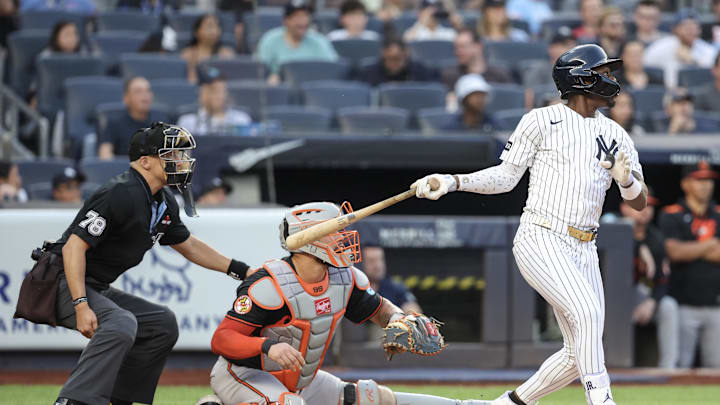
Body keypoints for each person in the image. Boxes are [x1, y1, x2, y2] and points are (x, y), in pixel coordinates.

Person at [413, 44, 648, 405]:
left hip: (585, 247)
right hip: (542, 236)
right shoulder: (541, 120)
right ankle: (602, 400)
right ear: (581, 78)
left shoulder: (618, 135)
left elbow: (640, 200)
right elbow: (506, 178)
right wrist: (454, 181)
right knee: (585, 313)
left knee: (578, 353)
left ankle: (509, 404)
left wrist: (626, 180)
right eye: (603, 72)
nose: (611, 79)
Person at [44, 122, 252, 405]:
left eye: (181, 154)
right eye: (172, 155)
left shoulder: (163, 201)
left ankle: (119, 400)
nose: (182, 161)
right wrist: (81, 304)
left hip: (93, 285)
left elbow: (188, 245)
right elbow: (72, 248)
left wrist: (242, 270)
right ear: (145, 162)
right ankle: (72, 401)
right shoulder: (120, 192)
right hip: (58, 281)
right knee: (120, 323)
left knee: (161, 323)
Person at [207, 201, 484, 405]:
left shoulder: (345, 278)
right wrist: (268, 346)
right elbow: (222, 339)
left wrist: (400, 319)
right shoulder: (269, 285)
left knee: (373, 398)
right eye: (335, 231)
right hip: (244, 374)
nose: (343, 237)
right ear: (309, 239)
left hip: (300, 380)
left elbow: (381, 310)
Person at [658, 161, 720, 368]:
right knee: (681, 366)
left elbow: (684, 250)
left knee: (716, 370)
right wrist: (711, 244)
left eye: (708, 180)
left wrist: (692, 249)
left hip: (716, 304)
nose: (705, 185)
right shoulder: (672, 213)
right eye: (699, 180)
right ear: (685, 184)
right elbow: (674, 252)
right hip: (683, 303)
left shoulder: (718, 213)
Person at [619, 188, 678, 368]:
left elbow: (662, 279)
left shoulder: (656, 238)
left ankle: (668, 368)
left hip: (643, 297)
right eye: (637, 204)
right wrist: (638, 246)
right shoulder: (610, 226)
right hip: (614, 300)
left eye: (649, 205)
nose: (644, 209)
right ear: (624, 208)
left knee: (668, 306)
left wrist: (652, 301)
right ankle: (613, 367)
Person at [256, 0, 338, 85]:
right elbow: (259, 69)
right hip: (282, 89)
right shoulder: (270, 39)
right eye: (297, 16)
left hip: (312, 90)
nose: (302, 21)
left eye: (306, 16)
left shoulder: (319, 40)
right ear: (286, 20)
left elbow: (332, 68)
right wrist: (272, 76)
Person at [97, 76, 170, 160]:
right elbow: (105, 154)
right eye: (138, 91)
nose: (145, 95)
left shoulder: (162, 122)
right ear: (126, 98)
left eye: (148, 90)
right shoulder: (114, 123)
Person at [644, 9, 717, 89]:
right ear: (675, 29)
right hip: (670, 93)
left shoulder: (706, 49)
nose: (691, 30)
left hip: (699, 94)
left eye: (694, 26)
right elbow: (644, 63)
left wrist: (692, 61)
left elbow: (714, 71)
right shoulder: (663, 46)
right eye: (686, 26)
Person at [177, 67, 251, 136]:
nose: (216, 95)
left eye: (219, 90)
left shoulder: (241, 120)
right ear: (200, 94)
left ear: (226, 93)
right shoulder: (188, 122)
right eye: (211, 90)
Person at [442, 29, 512, 90]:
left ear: (478, 46)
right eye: (456, 47)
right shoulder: (451, 76)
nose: (457, 52)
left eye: (463, 47)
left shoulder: (499, 75)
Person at [362, 245, 421, 314]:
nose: (378, 266)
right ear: (360, 263)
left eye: (381, 259)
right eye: (371, 261)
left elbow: (413, 309)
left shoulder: (394, 286)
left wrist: (408, 317)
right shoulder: (354, 288)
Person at [358, 38, 439, 86]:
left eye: (397, 58)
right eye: (389, 58)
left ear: (405, 55)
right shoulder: (370, 73)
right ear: (383, 55)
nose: (393, 63)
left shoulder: (419, 71)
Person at [180, 14, 235, 84]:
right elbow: (190, 83)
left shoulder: (227, 53)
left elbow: (230, 82)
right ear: (196, 32)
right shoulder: (188, 54)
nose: (214, 30)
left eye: (217, 26)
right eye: (209, 26)